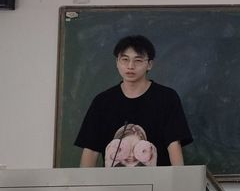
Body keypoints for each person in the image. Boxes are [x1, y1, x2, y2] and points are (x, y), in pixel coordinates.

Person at [76, 35, 193, 167]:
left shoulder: (166, 97)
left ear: (149, 64)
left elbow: (174, 144)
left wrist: (179, 178)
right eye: (125, 59)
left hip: (158, 179)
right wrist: (83, 180)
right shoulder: (102, 102)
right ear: (117, 62)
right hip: (113, 180)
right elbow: (91, 150)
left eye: (138, 60)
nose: (130, 66)